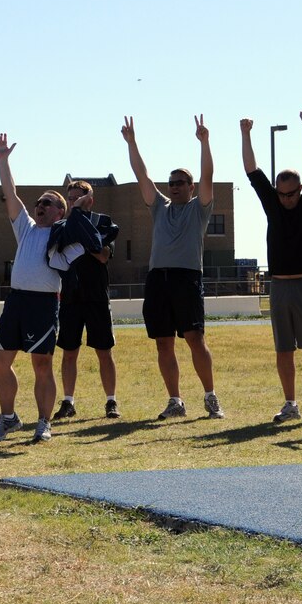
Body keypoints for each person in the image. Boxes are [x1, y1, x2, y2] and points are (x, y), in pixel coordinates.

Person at [0, 133, 102, 444]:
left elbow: (84, 251)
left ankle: (43, 422)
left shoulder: (68, 237)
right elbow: (10, 193)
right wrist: (3, 159)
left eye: (47, 202)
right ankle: (8, 418)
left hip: (43, 303)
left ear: (59, 212)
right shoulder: (25, 227)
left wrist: (79, 209)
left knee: (41, 365)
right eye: (38, 202)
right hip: (16, 301)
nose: (40, 205)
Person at [121, 115, 223, 420]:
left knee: (194, 339)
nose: (175, 187)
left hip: (187, 279)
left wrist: (204, 142)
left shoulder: (200, 208)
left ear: (191, 187)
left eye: (181, 182)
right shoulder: (160, 206)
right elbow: (142, 175)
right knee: (163, 342)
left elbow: (208, 175)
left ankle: (210, 396)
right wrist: (132, 142)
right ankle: (175, 401)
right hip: (158, 280)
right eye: (172, 183)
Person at [240, 111, 302, 424]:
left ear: (300, 189)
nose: (286, 199)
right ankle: (290, 404)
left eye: (291, 193)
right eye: (282, 193)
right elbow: (252, 171)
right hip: (279, 285)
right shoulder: (272, 202)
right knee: (283, 350)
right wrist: (246, 134)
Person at [52, 180, 122, 421]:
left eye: (77, 198)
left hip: (97, 297)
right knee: (69, 352)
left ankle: (111, 401)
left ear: (88, 200)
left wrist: (82, 234)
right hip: (70, 297)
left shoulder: (103, 222)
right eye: (69, 198)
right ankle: (68, 401)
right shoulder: (62, 225)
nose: (72, 202)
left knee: (104, 351)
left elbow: (103, 255)